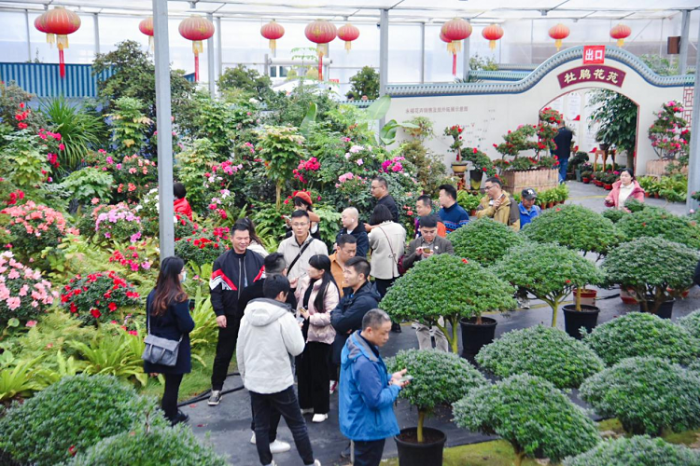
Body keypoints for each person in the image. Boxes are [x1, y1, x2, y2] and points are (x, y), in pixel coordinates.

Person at [236, 275, 321, 466]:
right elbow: (297, 348)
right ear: (282, 294)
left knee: (261, 426)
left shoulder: (247, 316)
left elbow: (240, 350)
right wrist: (297, 329)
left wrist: (245, 376)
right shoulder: (285, 317)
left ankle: (267, 463)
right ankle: (309, 462)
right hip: (279, 381)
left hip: (255, 380)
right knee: (297, 424)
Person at [339, 309, 409, 466]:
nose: (387, 337)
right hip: (368, 428)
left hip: (358, 421)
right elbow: (375, 400)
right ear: (369, 330)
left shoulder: (355, 342)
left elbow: (366, 381)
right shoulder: (365, 362)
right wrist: (395, 387)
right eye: (384, 333)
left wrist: (390, 378)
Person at [208, 220, 266, 407]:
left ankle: (256, 387)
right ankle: (216, 389)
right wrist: (219, 312)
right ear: (232, 238)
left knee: (254, 352)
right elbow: (215, 290)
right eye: (239, 238)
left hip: (252, 316)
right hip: (229, 316)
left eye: (246, 238)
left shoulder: (258, 260)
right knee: (223, 353)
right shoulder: (221, 262)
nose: (243, 242)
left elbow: (264, 287)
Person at [144, 256, 195, 426]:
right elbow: (186, 325)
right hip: (175, 348)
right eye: (182, 271)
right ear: (175, 274)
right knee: (173, 385)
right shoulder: (178, 298)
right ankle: (170, 416)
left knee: (169, 384)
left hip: (157, 346)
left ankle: (170, 412)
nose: (184, 274)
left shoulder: (153, 294)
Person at [295, 255, 340, 423]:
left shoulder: (329, 288)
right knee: (303, 370)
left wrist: (310, 318)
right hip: (304, 332)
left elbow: (331, 315)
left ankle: (321, 409)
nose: (308, 269)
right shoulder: (307, 282)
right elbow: (301, 304)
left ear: (321, 271)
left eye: (312, 267)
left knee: (319, 372)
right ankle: (306, 404)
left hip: (320, 336)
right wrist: (300, 318)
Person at [402, 215, 453, 352]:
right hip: (420, 287)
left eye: (432, 232)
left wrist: (435, 257)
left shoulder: (445, 243)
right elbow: (404, 264)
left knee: (439, 325)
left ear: (437, 229)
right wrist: (415, 255)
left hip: (439, 288)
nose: (429, 235)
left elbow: (452, 264)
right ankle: (425, 354)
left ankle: (443, 354)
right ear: (420, 229)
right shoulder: (414, 243)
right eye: (425, 232)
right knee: (421, 324)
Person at [330, 257, 381, 368]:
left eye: (349, 273)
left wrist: (339, 319)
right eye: (345, 272)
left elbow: (341, 324)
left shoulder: (365, 301)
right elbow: (335, 311)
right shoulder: (351, 291)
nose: (345, 275)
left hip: (356, 356)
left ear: (361, 276)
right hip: (347, 351)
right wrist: (339, 317)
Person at [367, 204, 406, 333]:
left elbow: (369, 244)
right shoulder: (400, 228)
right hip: (397, 268)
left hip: (382, 269)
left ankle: (386, 323)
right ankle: (396, 323)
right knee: (395, 296)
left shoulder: (375, 232)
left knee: (383, 297)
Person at [277, 210, 329, 288]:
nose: (299, 227)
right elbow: (278, 269)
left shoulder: (320, 246)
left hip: (312, 291)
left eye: (302, 224)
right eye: (296, 224)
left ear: (308, 225)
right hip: (290, 289)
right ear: (291, 225)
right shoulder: (284, 245)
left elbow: (325, 272)